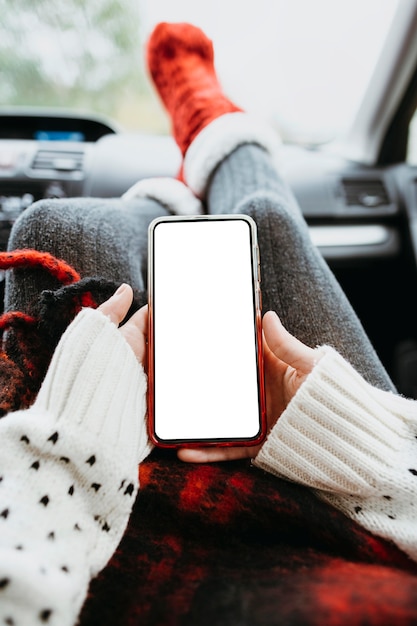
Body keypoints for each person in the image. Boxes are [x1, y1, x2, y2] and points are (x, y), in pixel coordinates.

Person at [0, 21, 417, 626]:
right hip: (374, 525)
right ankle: (208, 137)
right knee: (266, 223)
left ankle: (171, 203)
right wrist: (371, 450)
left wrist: (67, 447)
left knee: (51, 230)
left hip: (97, 551)